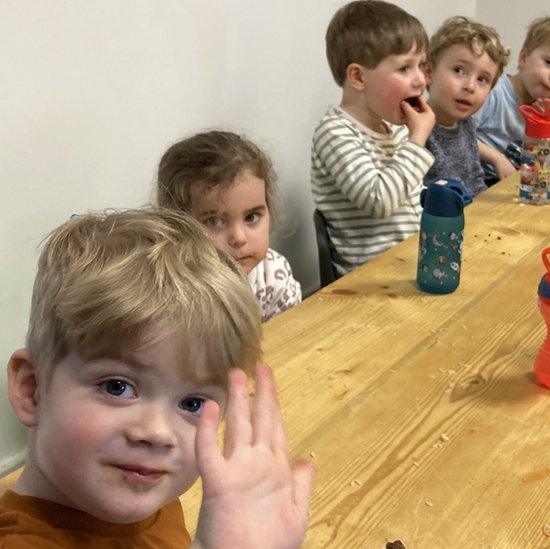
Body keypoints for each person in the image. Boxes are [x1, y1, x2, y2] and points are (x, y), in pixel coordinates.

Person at [2, 209, 313, 546]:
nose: (158, 433)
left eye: (192, 402)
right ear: (32, 389)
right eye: (117, 387)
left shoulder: (152, 497)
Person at [312, 0, 436, 275]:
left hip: (410, 263)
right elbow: (379, 202)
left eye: (421, 65)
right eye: (404, 68)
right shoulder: (335, 132)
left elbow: (409, 203)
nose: (420, 81)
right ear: (358, 77)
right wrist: (417, 139)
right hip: (368, 278)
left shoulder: (396, 128)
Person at [157, 130, 301, 322]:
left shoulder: (273, 275)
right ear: (175, 226)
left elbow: (294, 339)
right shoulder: (172, 295)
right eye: (214, 221)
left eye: (251, 217)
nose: (239, 238)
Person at [473, 15, 550, 183]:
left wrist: (547, 132)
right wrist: (496, 158)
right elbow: (458, 136)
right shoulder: (494, 91)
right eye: (549, 62)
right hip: (477, 187)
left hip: (513, 186)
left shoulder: (542, 111)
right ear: (523, 58)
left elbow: (539, 165)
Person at [424, 16, 509, 196]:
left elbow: (475, 182)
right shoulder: (416, 128)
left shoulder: (467, 124)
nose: (470, 86)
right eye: (458, 70)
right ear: (429, 73)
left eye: (482, 79)